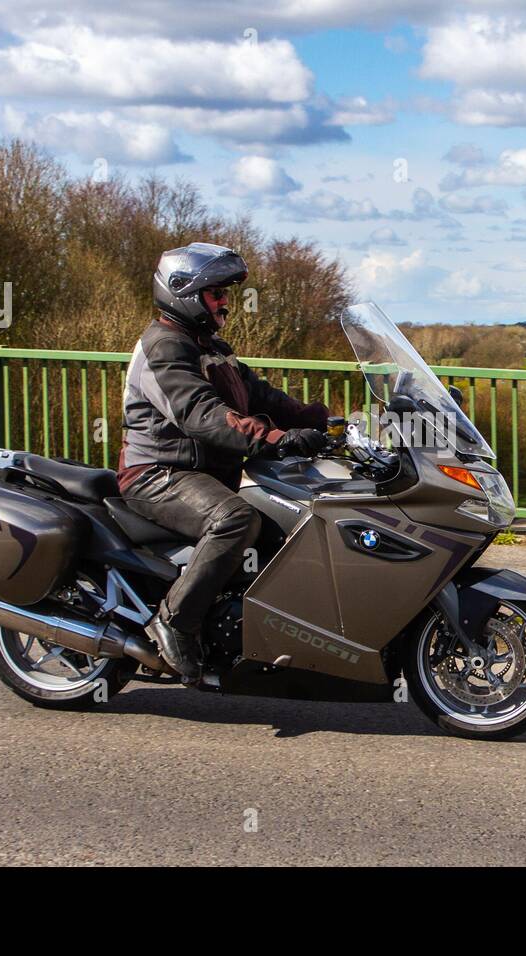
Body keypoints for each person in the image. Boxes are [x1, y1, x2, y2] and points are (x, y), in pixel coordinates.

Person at [118, 243, 330, 684]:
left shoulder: (210, 346)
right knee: (235, 519)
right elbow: (203, 414)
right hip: (159, 474)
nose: (225, 303)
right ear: (183, 292)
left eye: (225, 294)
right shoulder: (164, 348)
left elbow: (260, 395)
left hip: (201, 473)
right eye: (216, 294)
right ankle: (174, 622)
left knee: (285, 522)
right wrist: (274, 438)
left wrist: (321, 420)